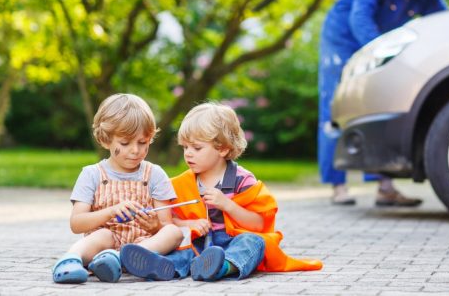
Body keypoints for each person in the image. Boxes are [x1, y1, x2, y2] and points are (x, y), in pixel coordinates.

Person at [119, 101, 322, 282]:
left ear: (222, 149)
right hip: (199, 244)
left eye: (197, 148)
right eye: (185, 147)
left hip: (233, 241)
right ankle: (161, 267)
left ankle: (223, 267)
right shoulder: (182, 183)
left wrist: (228, 205)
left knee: (255, 243)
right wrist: (188, 224)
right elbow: (172, 217)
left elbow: (259, 224)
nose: (188, 153)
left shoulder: (242, 180)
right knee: (182, 246)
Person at [319, 0, 447, 206]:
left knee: (380, 102)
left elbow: (444, 23)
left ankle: (384, 187)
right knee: (335, 106)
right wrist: (382, 54)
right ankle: (338, 185)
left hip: (377, 44)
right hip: (343, 38)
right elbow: (360, 17)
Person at [52, 93, 183, 284]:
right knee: (104, 235)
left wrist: (154, 225)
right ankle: (70, 260)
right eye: (125, 143)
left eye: (142, 142)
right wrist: (111, 212)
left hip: (142, 245)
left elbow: (165, 223)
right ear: (105, 140)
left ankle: (122, 260)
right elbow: (77, 223)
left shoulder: (155, 174)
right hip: (103, 243)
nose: (135, 150)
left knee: (174, 232)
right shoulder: (92, 174)